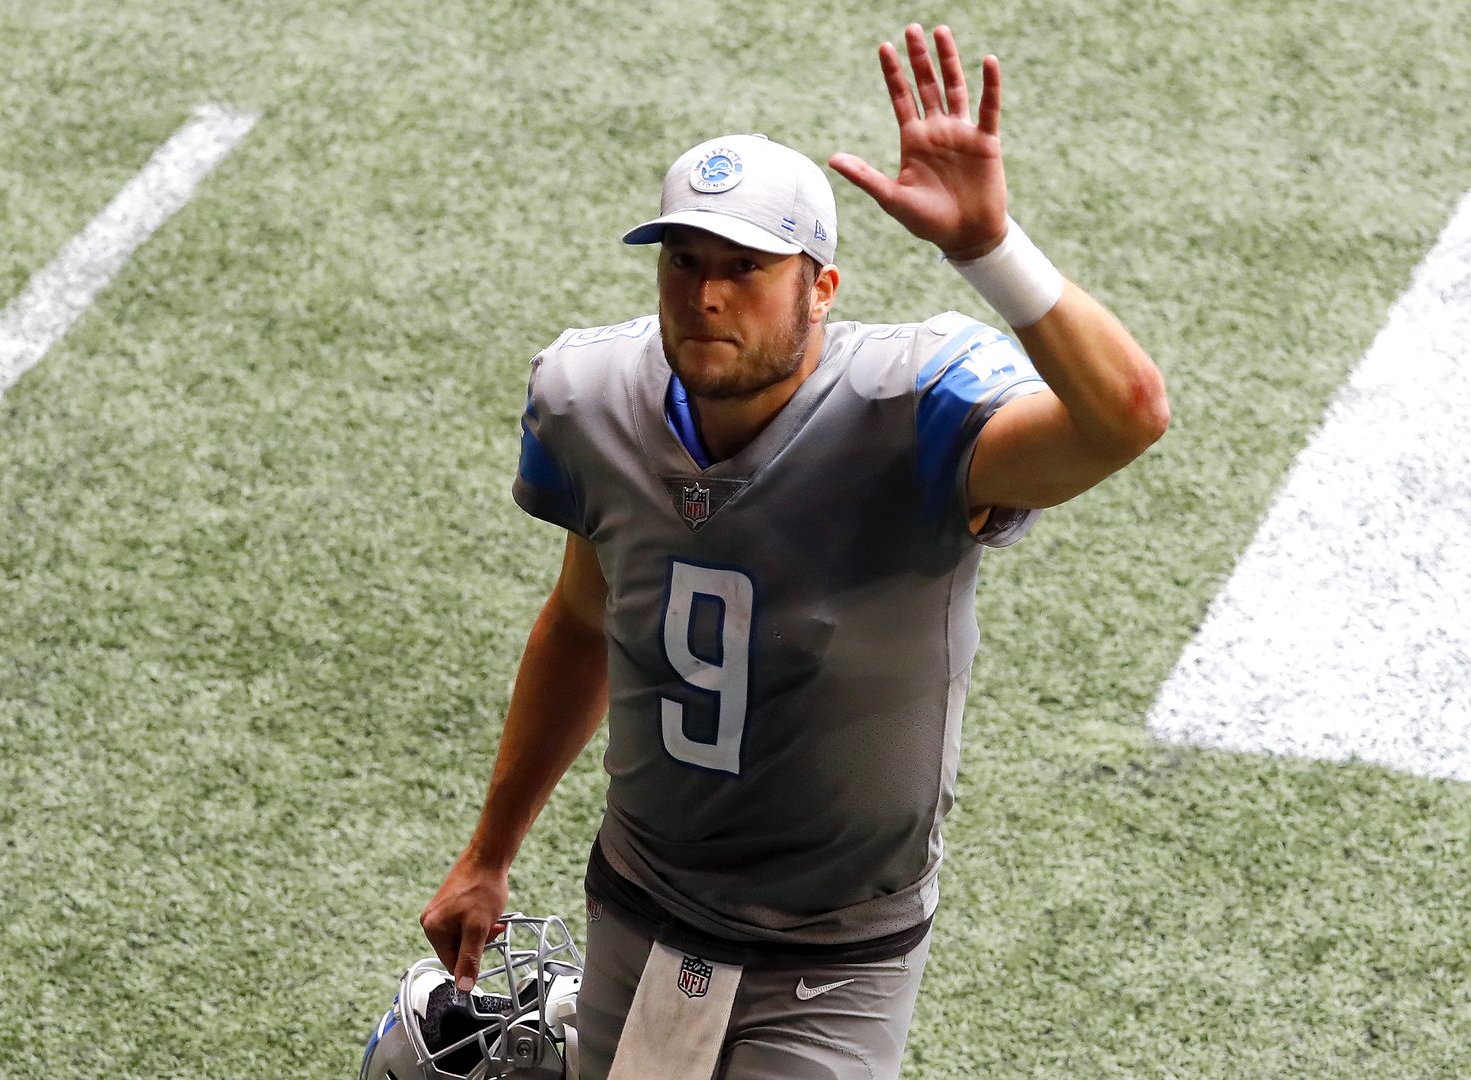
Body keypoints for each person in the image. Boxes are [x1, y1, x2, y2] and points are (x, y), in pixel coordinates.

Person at [419, 22, 1167, 1080]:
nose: (706, 295)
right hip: (641, 903)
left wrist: (988, 249)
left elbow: (1127, 415)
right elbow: (585, 620)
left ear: (822, 286)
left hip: (836, 951)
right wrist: (488, 855)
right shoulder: (591, 400)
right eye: (684, 262)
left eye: (746, 268)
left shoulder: (916, 412)